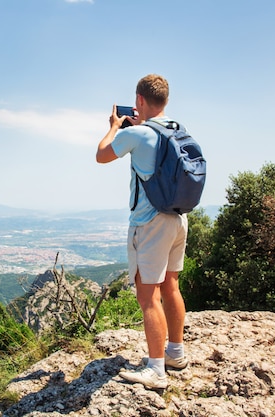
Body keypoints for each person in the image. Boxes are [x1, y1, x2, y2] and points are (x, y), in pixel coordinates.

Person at [95, 74, 188, 390]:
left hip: (149, 224)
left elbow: (102, 154)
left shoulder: (136, 133)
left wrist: (114, 126)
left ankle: (156, 370)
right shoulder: (177, 129)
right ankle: (175, 353)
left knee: (148, 296)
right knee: (171, 285)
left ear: (139, 100)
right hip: (178, 218)